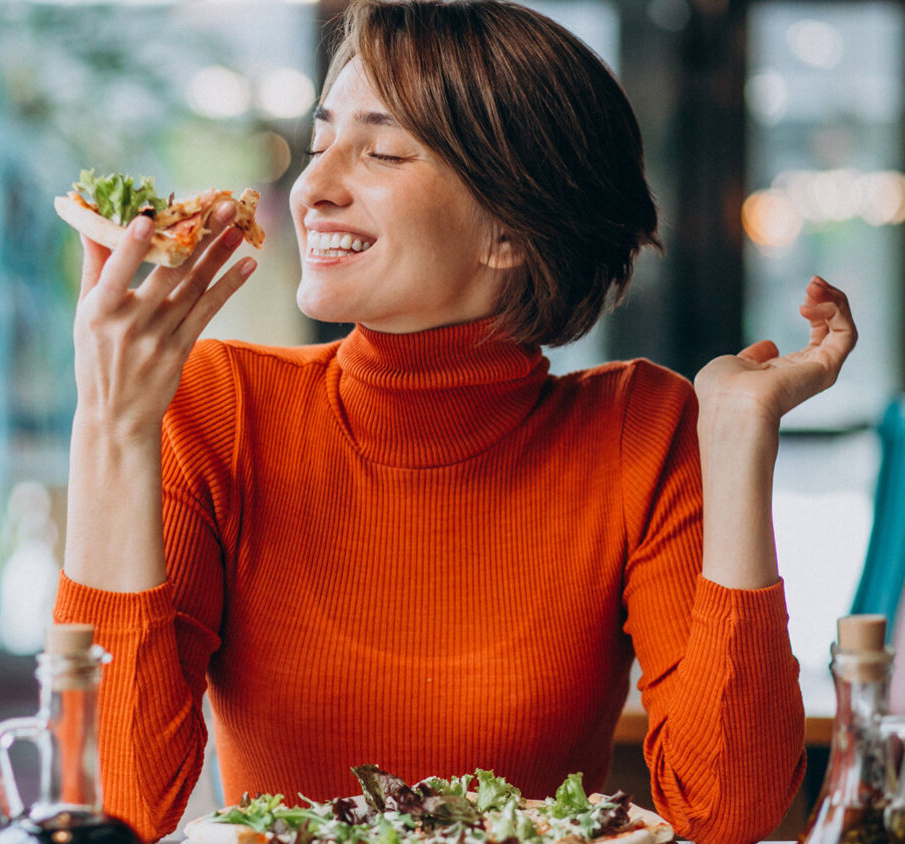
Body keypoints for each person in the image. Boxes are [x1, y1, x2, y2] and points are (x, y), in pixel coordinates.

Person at [53, 2, 857, 843]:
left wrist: (734, 446)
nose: (312, 189)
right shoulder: (219, 407)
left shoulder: (641, 430)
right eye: (321, 141)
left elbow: (734, 810)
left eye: (383, 151)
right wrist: (111, 425)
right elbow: (111, 807)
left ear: (510, 230)